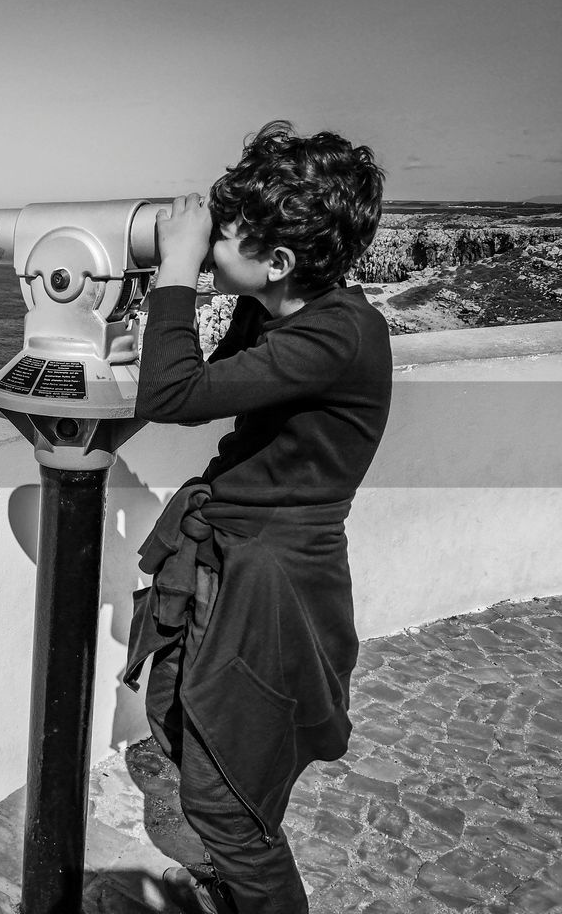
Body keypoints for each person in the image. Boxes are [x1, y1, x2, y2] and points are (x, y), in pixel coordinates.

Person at [121, 120, 392, 914]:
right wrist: (214, 275)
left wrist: (175, 268)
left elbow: (172, 396)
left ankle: (252, 888)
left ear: (278, 262)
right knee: (175, 716)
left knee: (227, 800)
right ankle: (232, 889)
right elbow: (215, 382)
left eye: (227, 233)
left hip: (267, 587)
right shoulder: (292, 311)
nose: (211, 240)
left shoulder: (339, 335)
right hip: (227, 559)